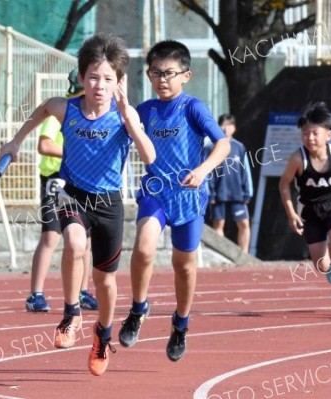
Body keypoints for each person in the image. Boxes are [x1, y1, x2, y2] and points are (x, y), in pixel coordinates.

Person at [0, 34, 155, 376]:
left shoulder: (125, 116)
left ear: (120, 82)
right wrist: (15, 141)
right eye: (94, 77)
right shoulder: (66, 108)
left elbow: (149, 155)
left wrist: (129, 116)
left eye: (109, 79)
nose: (100, 85)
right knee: (72, 241)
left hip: (109, 203)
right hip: (73, 193)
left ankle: (103, 335)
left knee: (105, 281)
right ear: (82, 77)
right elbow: (42, 109)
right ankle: (71, 314)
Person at [117, 40, 230, 361]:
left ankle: (180, 323)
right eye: (155, 73)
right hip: (155, 192)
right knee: (143, 247)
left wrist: (203, 169)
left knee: (184, 265)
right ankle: (138, 309)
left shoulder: (193, 108)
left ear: (186, 76)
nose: (162, 79)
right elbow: (119, 135)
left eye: (169, 73)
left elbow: (222, 145)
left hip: (190, 198)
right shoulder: (146, 111)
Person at [279, 102, 331, 319]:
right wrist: (291, 214)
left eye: (314, 133)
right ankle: (328, 271)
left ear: (328, 134)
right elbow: (283, 185)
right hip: (309, 211)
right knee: (320, 263)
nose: (310, 138)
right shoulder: (298, 159)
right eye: (305, 133)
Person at [25, 68, 98, 313]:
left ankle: (83, 291)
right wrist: (72, 153)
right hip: (55, 179)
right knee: (51, 236)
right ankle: (36, 294)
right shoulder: (62, 111)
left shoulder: (93, 114)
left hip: (81, 180)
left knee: (84, 238)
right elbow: (44, 145)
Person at [208, 114, 254, 253]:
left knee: (244, 223)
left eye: (229, 125)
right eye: (223, 125)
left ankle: (244, 255)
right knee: (218, 223)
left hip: (237, 193)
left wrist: (247, 192)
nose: (226, 128)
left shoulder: (239, 147)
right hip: (218, 192)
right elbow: (207, 171)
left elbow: (245, 171)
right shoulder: (211, 147)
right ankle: (221, 252)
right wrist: (210, 193)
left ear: (234, 128)